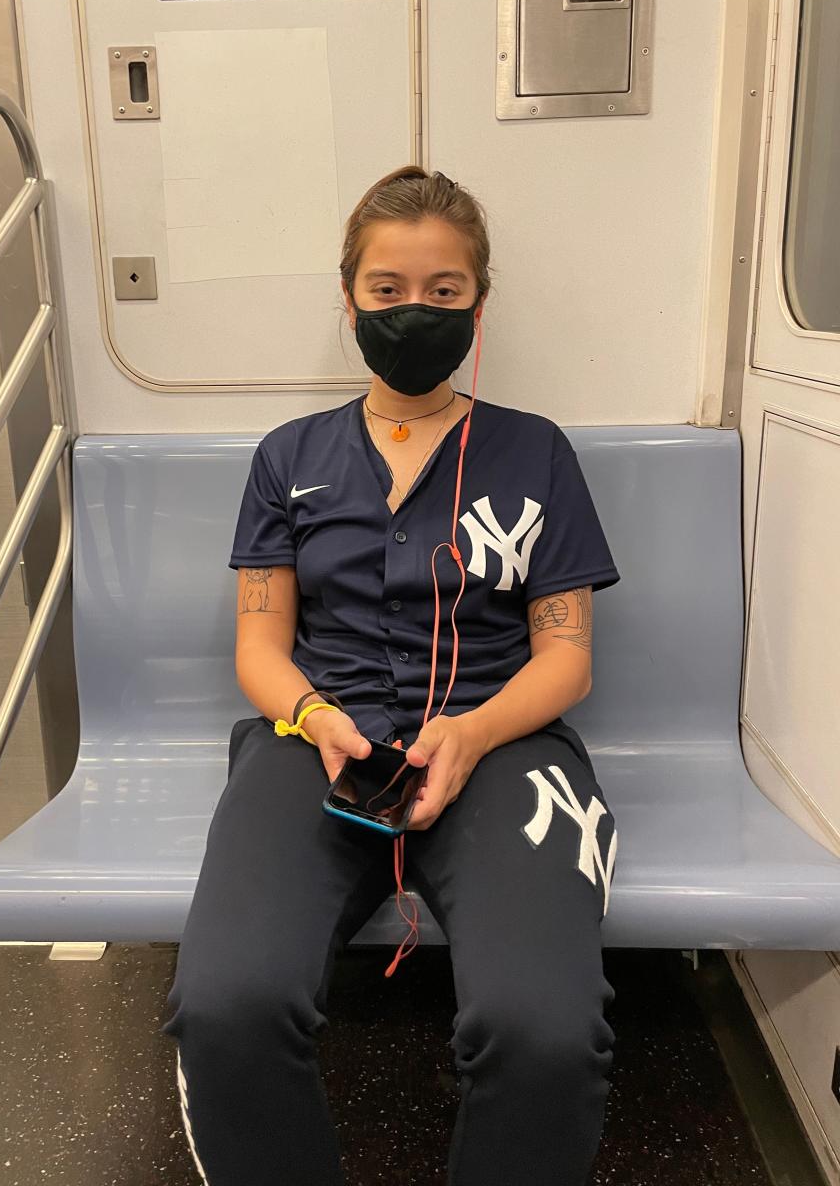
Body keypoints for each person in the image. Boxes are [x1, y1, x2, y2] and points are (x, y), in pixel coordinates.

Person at [160, 166, 621, 1186]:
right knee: (226, 1000)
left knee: (544, 1025)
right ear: (350, 299)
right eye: (388, 289)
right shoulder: (288, 457)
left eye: (445, 291)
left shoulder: (535, 452)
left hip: (503, 740)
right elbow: (259, 645)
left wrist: (473, 730)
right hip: (320, 739)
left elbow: (568, 655)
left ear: (479, 304)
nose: (416, 311)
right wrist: (316, 715)